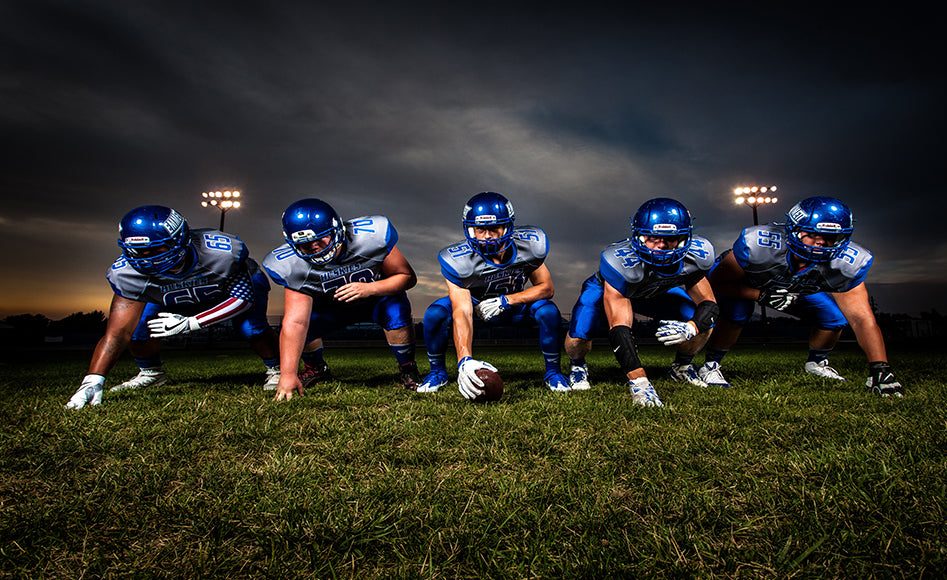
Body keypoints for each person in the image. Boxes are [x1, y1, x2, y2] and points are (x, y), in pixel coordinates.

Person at [66, 205, 281, 409]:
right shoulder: (127, 274)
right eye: (138, 251)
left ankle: (276, 368)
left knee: (251, 328)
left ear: (181, 239)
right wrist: (93, 380)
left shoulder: (220, 253)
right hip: (171, 298)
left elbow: (243, 299)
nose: (146, 259)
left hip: (226, 291)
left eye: (155, 248)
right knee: (139, 329)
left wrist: (191, 323)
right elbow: (118, 333)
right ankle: (151, 373)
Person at [696, 196, 904, 396]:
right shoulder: (759, 245)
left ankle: (816, 363)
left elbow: (861, 318)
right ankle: (711, 365)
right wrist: (760, 295)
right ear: (794, 229)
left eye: (830, 237)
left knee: (834, 319)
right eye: (813, 234)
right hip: (747, 284)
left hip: (795, 288)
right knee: (738, 312)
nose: (821, 243)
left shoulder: (848, 263)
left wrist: (880, 368)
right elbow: (716, 285)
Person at [564, 197, 719, 407]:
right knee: (579, 334)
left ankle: (681, 367)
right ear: (638, 235)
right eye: (652, 237)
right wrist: (640, 382)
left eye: (670, 238)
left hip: (655, 291)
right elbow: (619, 327)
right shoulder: (618, 261)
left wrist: (691, 327)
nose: (661, 246)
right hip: (608, 289)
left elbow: (709, 304)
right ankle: (578, 366)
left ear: (685, 237)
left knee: (704, 322)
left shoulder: (698, 255)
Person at [416, 191, 571, 400]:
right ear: (469, 229)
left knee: (548, 311)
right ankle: (438, 372)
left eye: (493, 229)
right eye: (480, 230)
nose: (487, 236)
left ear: (507, 227)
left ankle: (553, 373)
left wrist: (507, 300)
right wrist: (465, 360)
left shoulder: (528, 247)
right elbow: (461, 310)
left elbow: (546, 288)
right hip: (476, 306)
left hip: (514, 305)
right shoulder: (457, 260)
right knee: (434, 314)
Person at [262, 198, 420, 401]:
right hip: (331, 306)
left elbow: (407, 277)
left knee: (396, 310)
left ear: (336, 229)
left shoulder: (372, 237)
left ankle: (407, 367)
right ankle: (316, 368)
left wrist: (370, 288)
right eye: (305, 245)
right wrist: (288, 374)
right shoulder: (290, 265)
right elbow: (295, 322)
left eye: (321, 239)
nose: (315, 248)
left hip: (376, 299)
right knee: (304, 325)